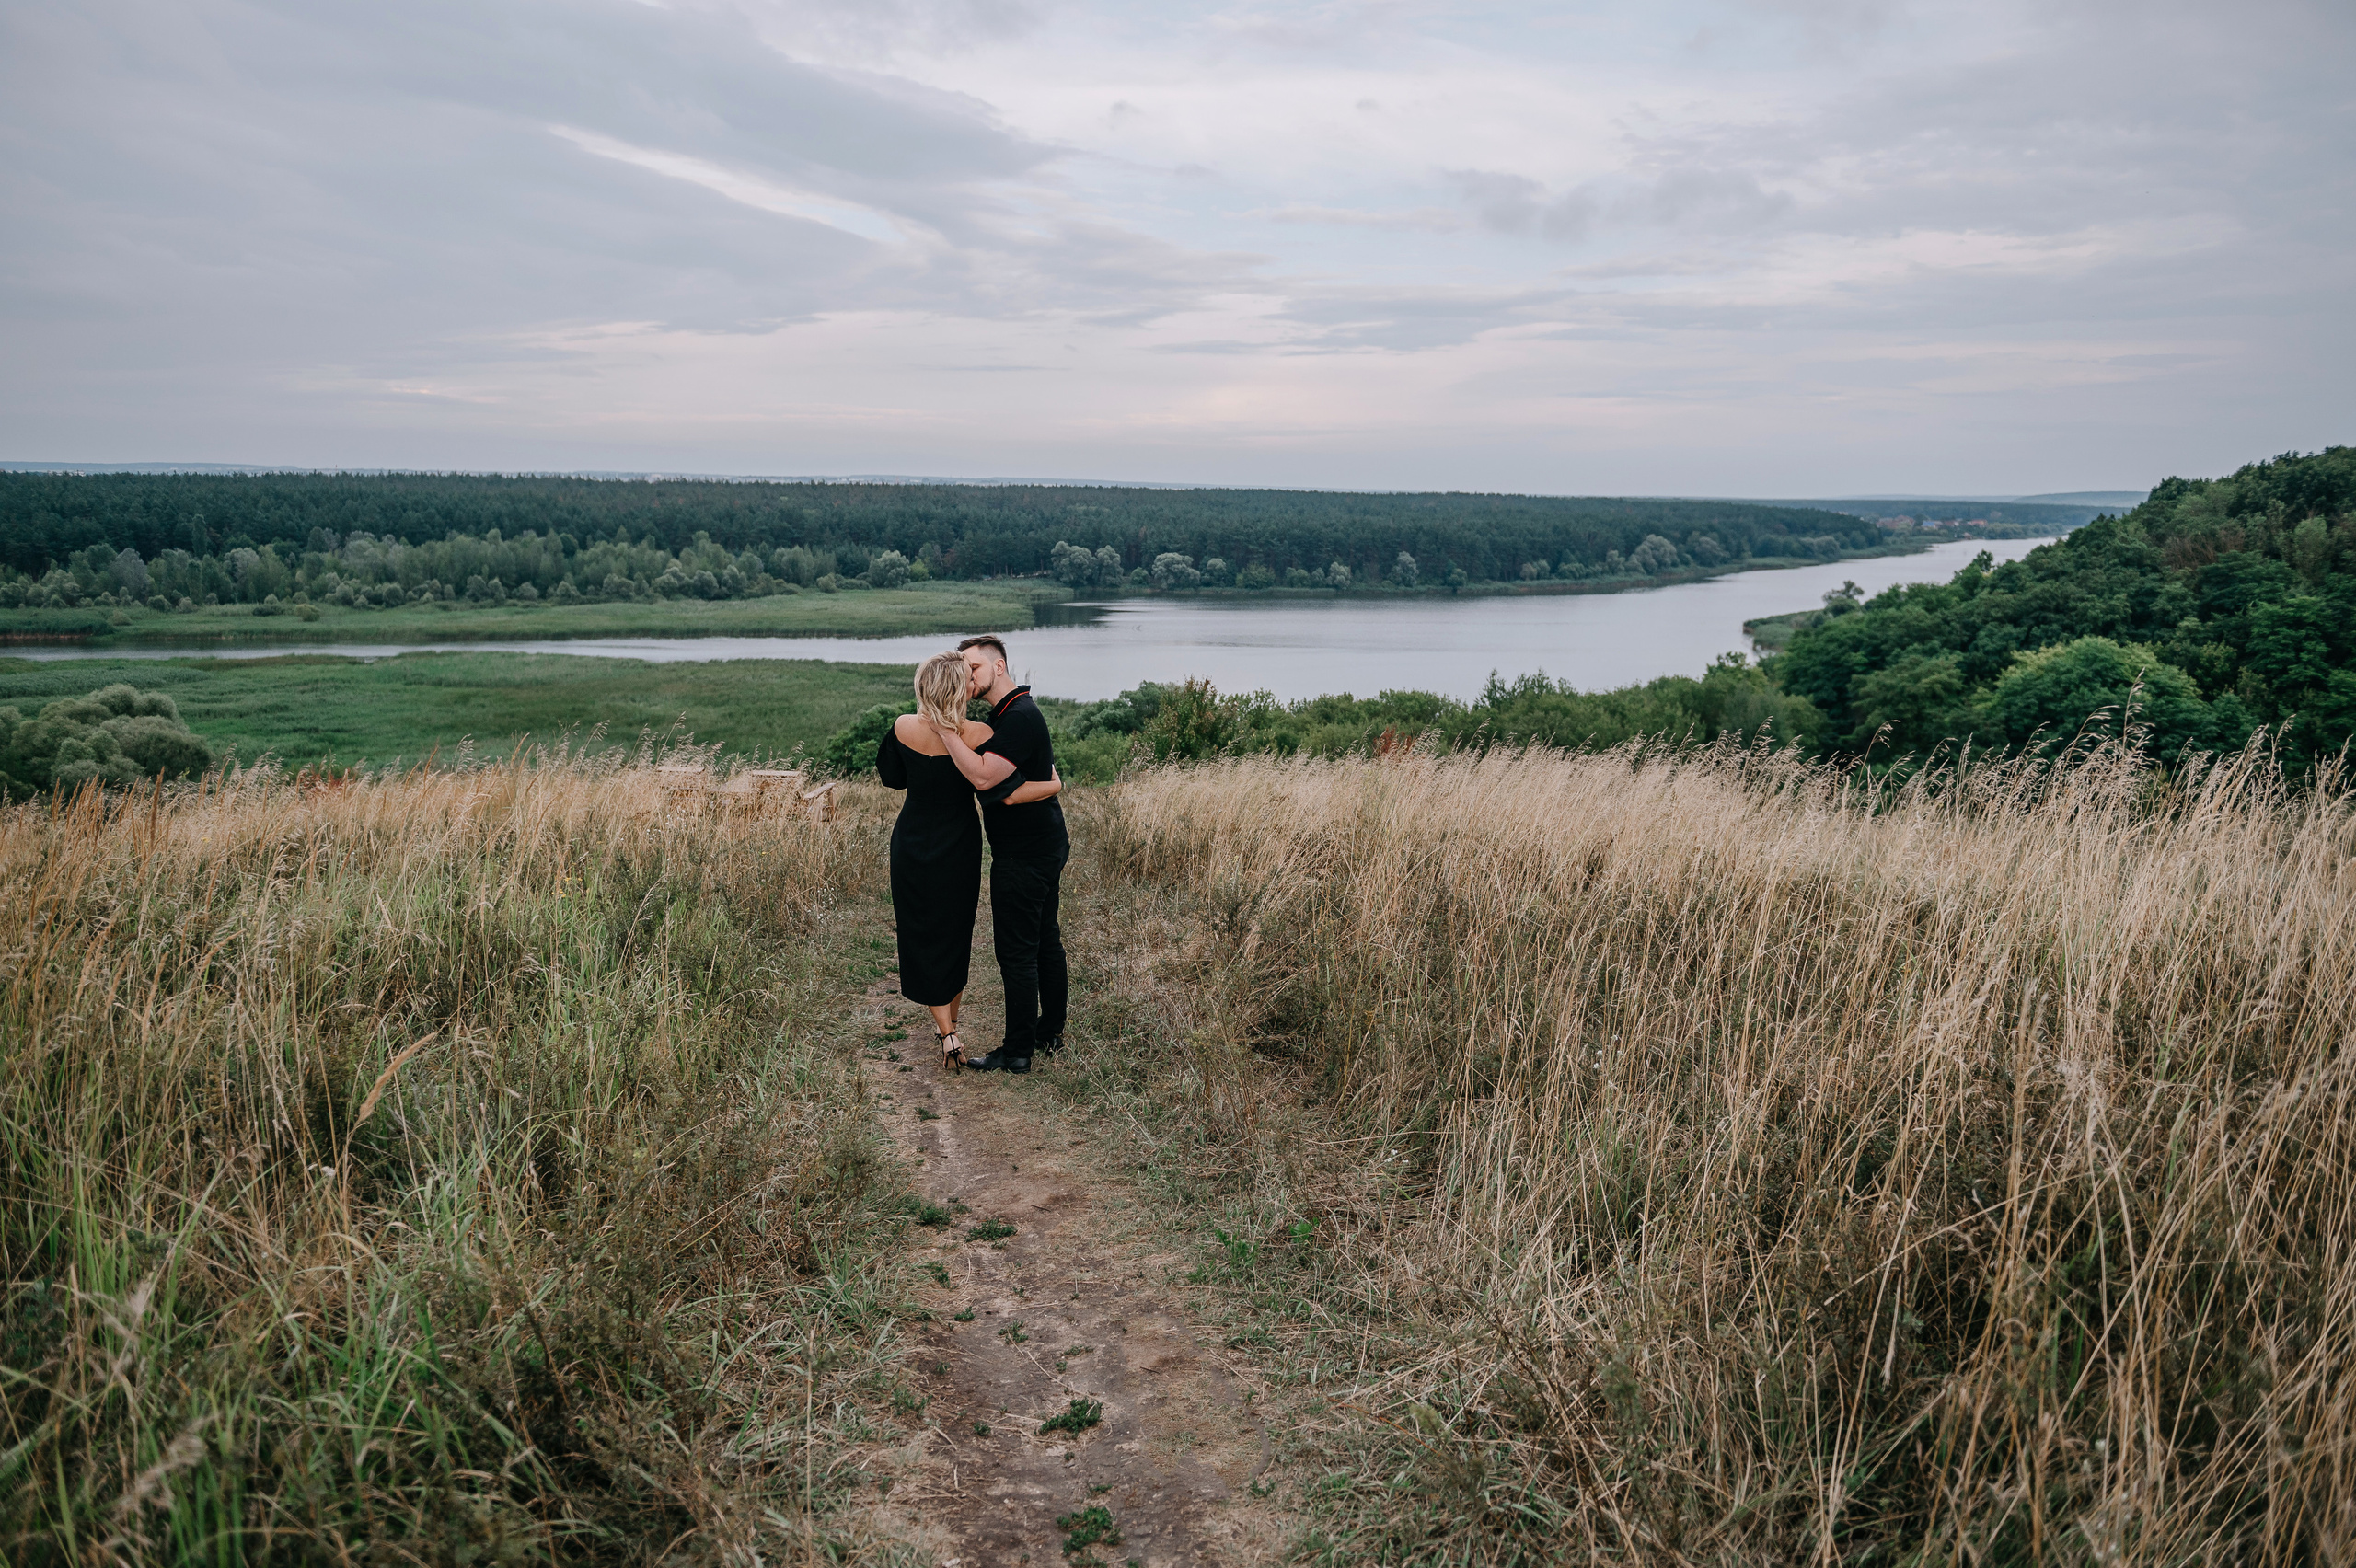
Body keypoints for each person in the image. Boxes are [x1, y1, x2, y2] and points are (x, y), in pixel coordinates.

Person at [877, 651, 1060, 1069]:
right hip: (958, 843)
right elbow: (1006, 790)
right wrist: (1054, 785)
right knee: (954, 931)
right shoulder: (977, 733)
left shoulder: (903, 727)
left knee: (919, 929)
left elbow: (891, 777)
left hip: (911, 840)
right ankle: (954, 1023)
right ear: (959, 689)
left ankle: (947, 1031)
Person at [931, 634, 1068, 1075]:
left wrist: (945, 732)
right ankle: (1049, 1033)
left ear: (999, 666)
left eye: (973, 668)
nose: (968, 677)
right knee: (1045, 941)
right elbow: (1015, 784)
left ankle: (1017, 1052)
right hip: (1043, 845)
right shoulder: (1012, 714)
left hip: (1024, 855)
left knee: (1017, 953)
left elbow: (988, 781)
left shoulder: (1018, 717)